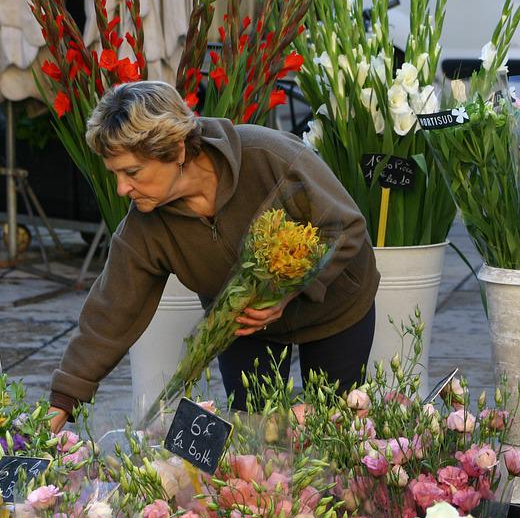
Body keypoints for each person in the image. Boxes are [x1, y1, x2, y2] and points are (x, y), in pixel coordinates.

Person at [48, 81, 379, 432]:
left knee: (334, 427)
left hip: (335, 310)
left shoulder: (268, 156)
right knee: (255, 439)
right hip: (244, 328)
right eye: (114, 173)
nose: (121, 188)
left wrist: (290, 291)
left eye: (132, 172)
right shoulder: (145, 226)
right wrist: (60, 405)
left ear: (176, 150)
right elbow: (110, 312)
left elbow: (346, 227)